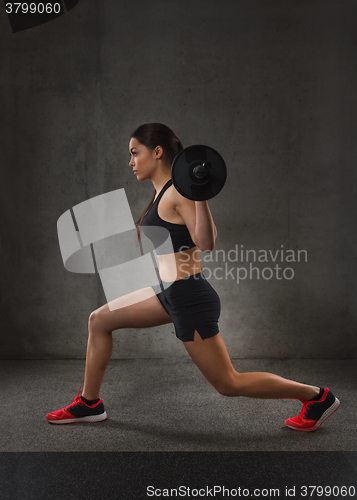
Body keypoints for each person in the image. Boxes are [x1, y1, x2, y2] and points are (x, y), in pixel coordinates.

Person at [46, 123, 340, 431]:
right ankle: (89, 404)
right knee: (99, 320)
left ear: (157, 152)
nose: (130, 162)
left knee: (228, 383)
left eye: (135, 153)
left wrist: (199, 193)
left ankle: (316, 396)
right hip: (166, 292)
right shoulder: (164, 191)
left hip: (188, 297)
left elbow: (207, 241)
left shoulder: (178, 191)